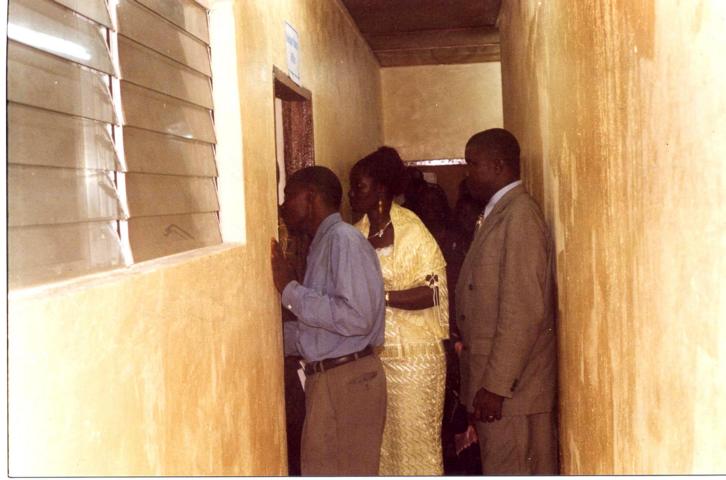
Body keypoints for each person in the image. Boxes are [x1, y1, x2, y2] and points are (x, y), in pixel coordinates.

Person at [270, 166, 387, 475]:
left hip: (347, 380)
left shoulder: (343, 239)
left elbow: (356, 316)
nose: (283, 205)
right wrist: (267, 338)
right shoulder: (323, 243)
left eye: (288, 195)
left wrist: (290, 290)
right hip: (334, 379)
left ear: (311, 197)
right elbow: (322, 327)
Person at [456, 128, 558, 474]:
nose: (466, 172)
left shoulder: (520, 216)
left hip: (511, 392)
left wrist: (496, 387)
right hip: (499, 387)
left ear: (498, 166)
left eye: (473, 164)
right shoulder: (499, 212)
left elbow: (523, 310)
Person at [348, 147, 449, 475]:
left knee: (414, 449)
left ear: (380, 190)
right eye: (351, 187)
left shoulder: (412, 230)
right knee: (381, 450)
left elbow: (434, 291)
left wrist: (382, 298)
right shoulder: (357, 231)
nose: (351, 194)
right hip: (374, 359)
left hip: (415, 360)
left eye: (359, 187)